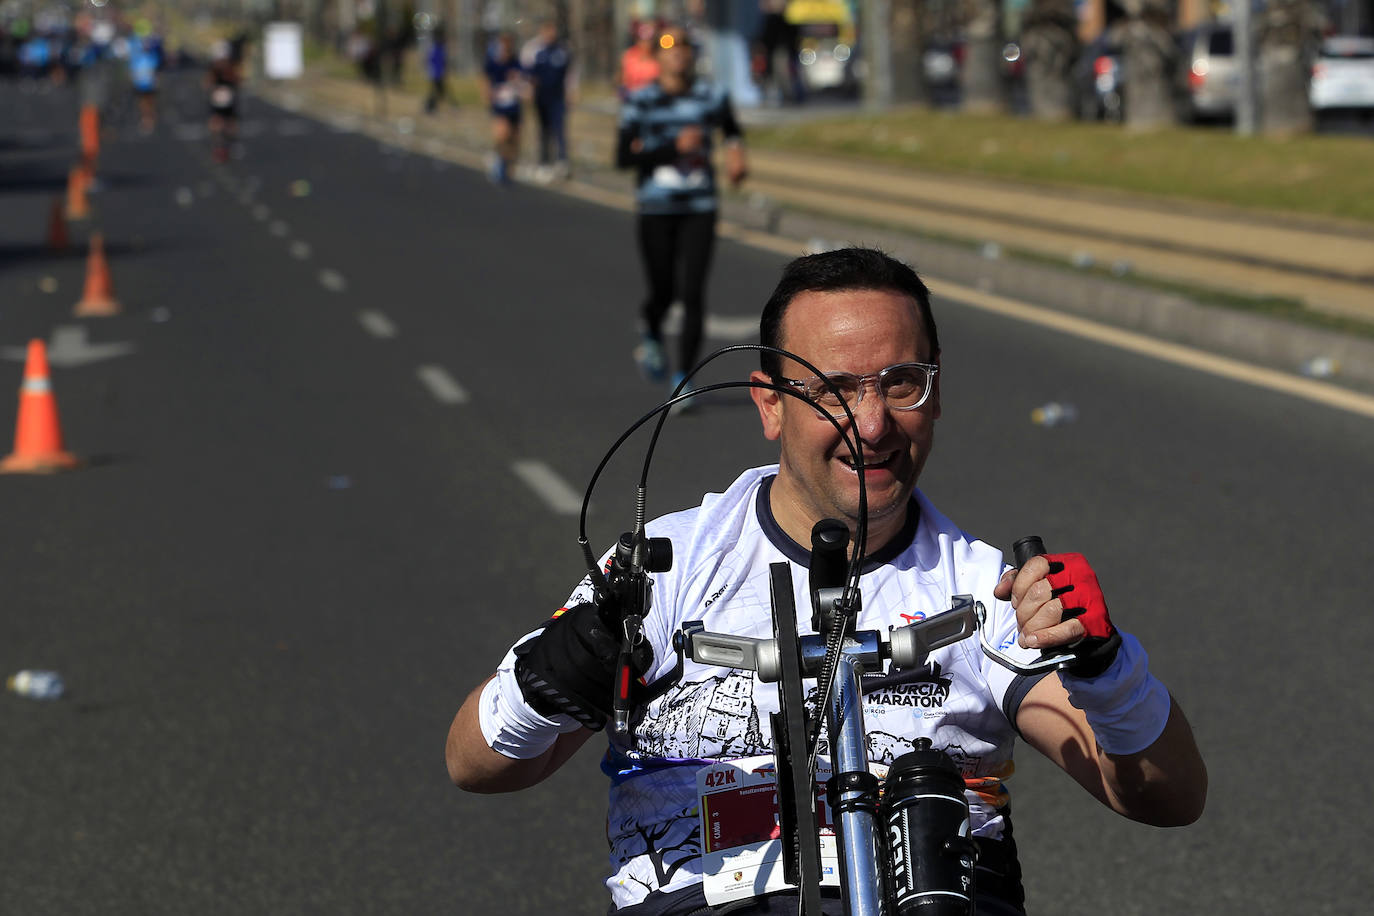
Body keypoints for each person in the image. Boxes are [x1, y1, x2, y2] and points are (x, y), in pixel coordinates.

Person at [446, 247, 1208, 916]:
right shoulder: (664, 567)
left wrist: (1107, 668)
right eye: (833, 388)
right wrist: (556, 670)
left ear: (936, 395)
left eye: (901, 383)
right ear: (769, 404)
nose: (871, 424)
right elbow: (474, 762)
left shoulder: (989, 593)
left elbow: (1169, 795)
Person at [615, 25, 748, 400]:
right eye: (669, 46)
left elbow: (732, 129)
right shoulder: (640, 101)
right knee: (663, 290)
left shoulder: (712, 95)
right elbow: (623, 157)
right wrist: (673, 148)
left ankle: (683, 377)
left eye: (685, 45)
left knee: (693, 293)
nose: (679, 52)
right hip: (656, 208)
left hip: (699, 207)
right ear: (656, 57)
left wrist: (737, 153)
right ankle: (652, 329)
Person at [521, 20, 576, 181]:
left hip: (557, 96)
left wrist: (571, 92)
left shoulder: (563, 49)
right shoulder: (533, 49)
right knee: (543, 129)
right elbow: (525, 72)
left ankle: (562, 161)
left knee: (560, 128)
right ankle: (544, 162)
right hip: (540, 96)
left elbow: (570, 73)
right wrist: (527, 90)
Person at [482, 32, 525, 185]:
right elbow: (485, 78)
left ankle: (509, 166)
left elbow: (523, 80)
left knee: (514, 138)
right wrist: (488, 93)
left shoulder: (516, 62)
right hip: (500, 105)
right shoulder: (493, 63)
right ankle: (498, 163)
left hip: (514, 105)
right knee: (502, 134)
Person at [205, 40, 241, 163]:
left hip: (227, 98)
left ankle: (225, 146)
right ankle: (219, 147)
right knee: (218, 123)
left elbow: (237, 80)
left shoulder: (229, 67)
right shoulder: (215, 68)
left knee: (228, 124)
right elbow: (208, 82)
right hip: (219, 98)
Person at [618, 20, 660, 98]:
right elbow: (623, 80)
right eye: (643, 40)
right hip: (633, 97)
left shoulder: (659, 57)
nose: (647, 43)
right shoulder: (629, 56)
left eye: (650, 40)